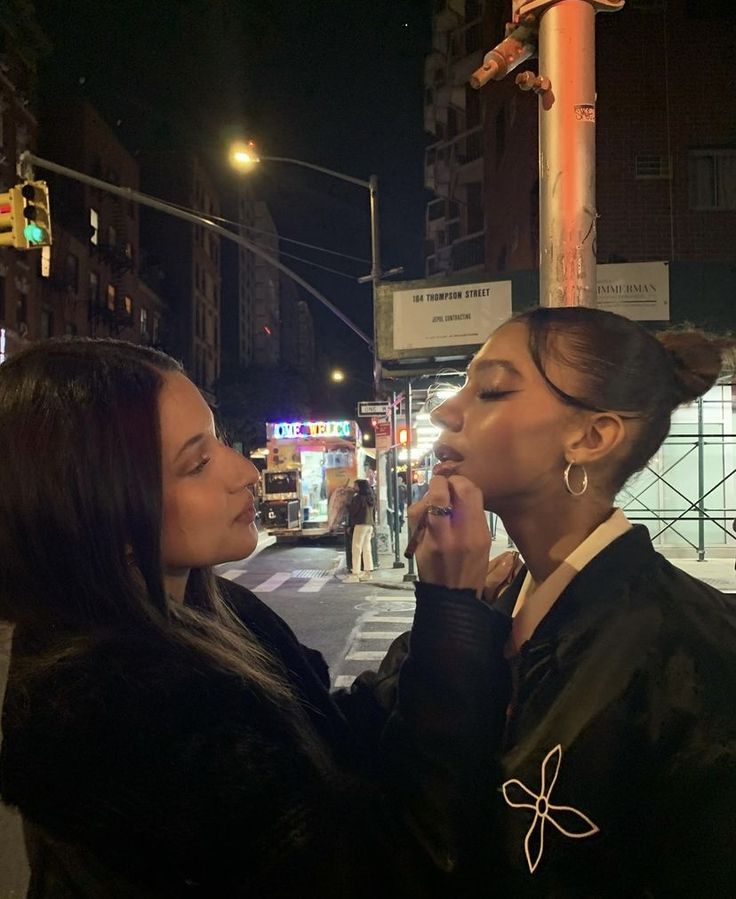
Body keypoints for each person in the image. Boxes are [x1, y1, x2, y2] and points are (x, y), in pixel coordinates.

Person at [0, 338, 514, 898]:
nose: (245, 471)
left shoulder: (206, 606)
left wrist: (449, 619)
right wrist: (451, 617)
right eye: (196, 463)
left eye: (219, 439)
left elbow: (326, 738)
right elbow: (397, 868)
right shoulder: (112, 711)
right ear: (98, 510)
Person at [409, 306, 736, 896]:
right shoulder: (498, 600)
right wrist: (448, 611)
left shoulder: (690, 653)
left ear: (590, 437)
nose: (445, 411)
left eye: (490, 390)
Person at [345, 479, 375, 583]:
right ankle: (368, 572)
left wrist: (348, 504)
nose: (354, 487)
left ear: (360, 487)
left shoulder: (358, 498)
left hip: (360, 524)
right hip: (369, 524)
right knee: (367, 549)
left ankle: (355, 574)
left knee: (356, 549)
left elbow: (353, 511)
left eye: (355, 485)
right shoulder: (370, 498)